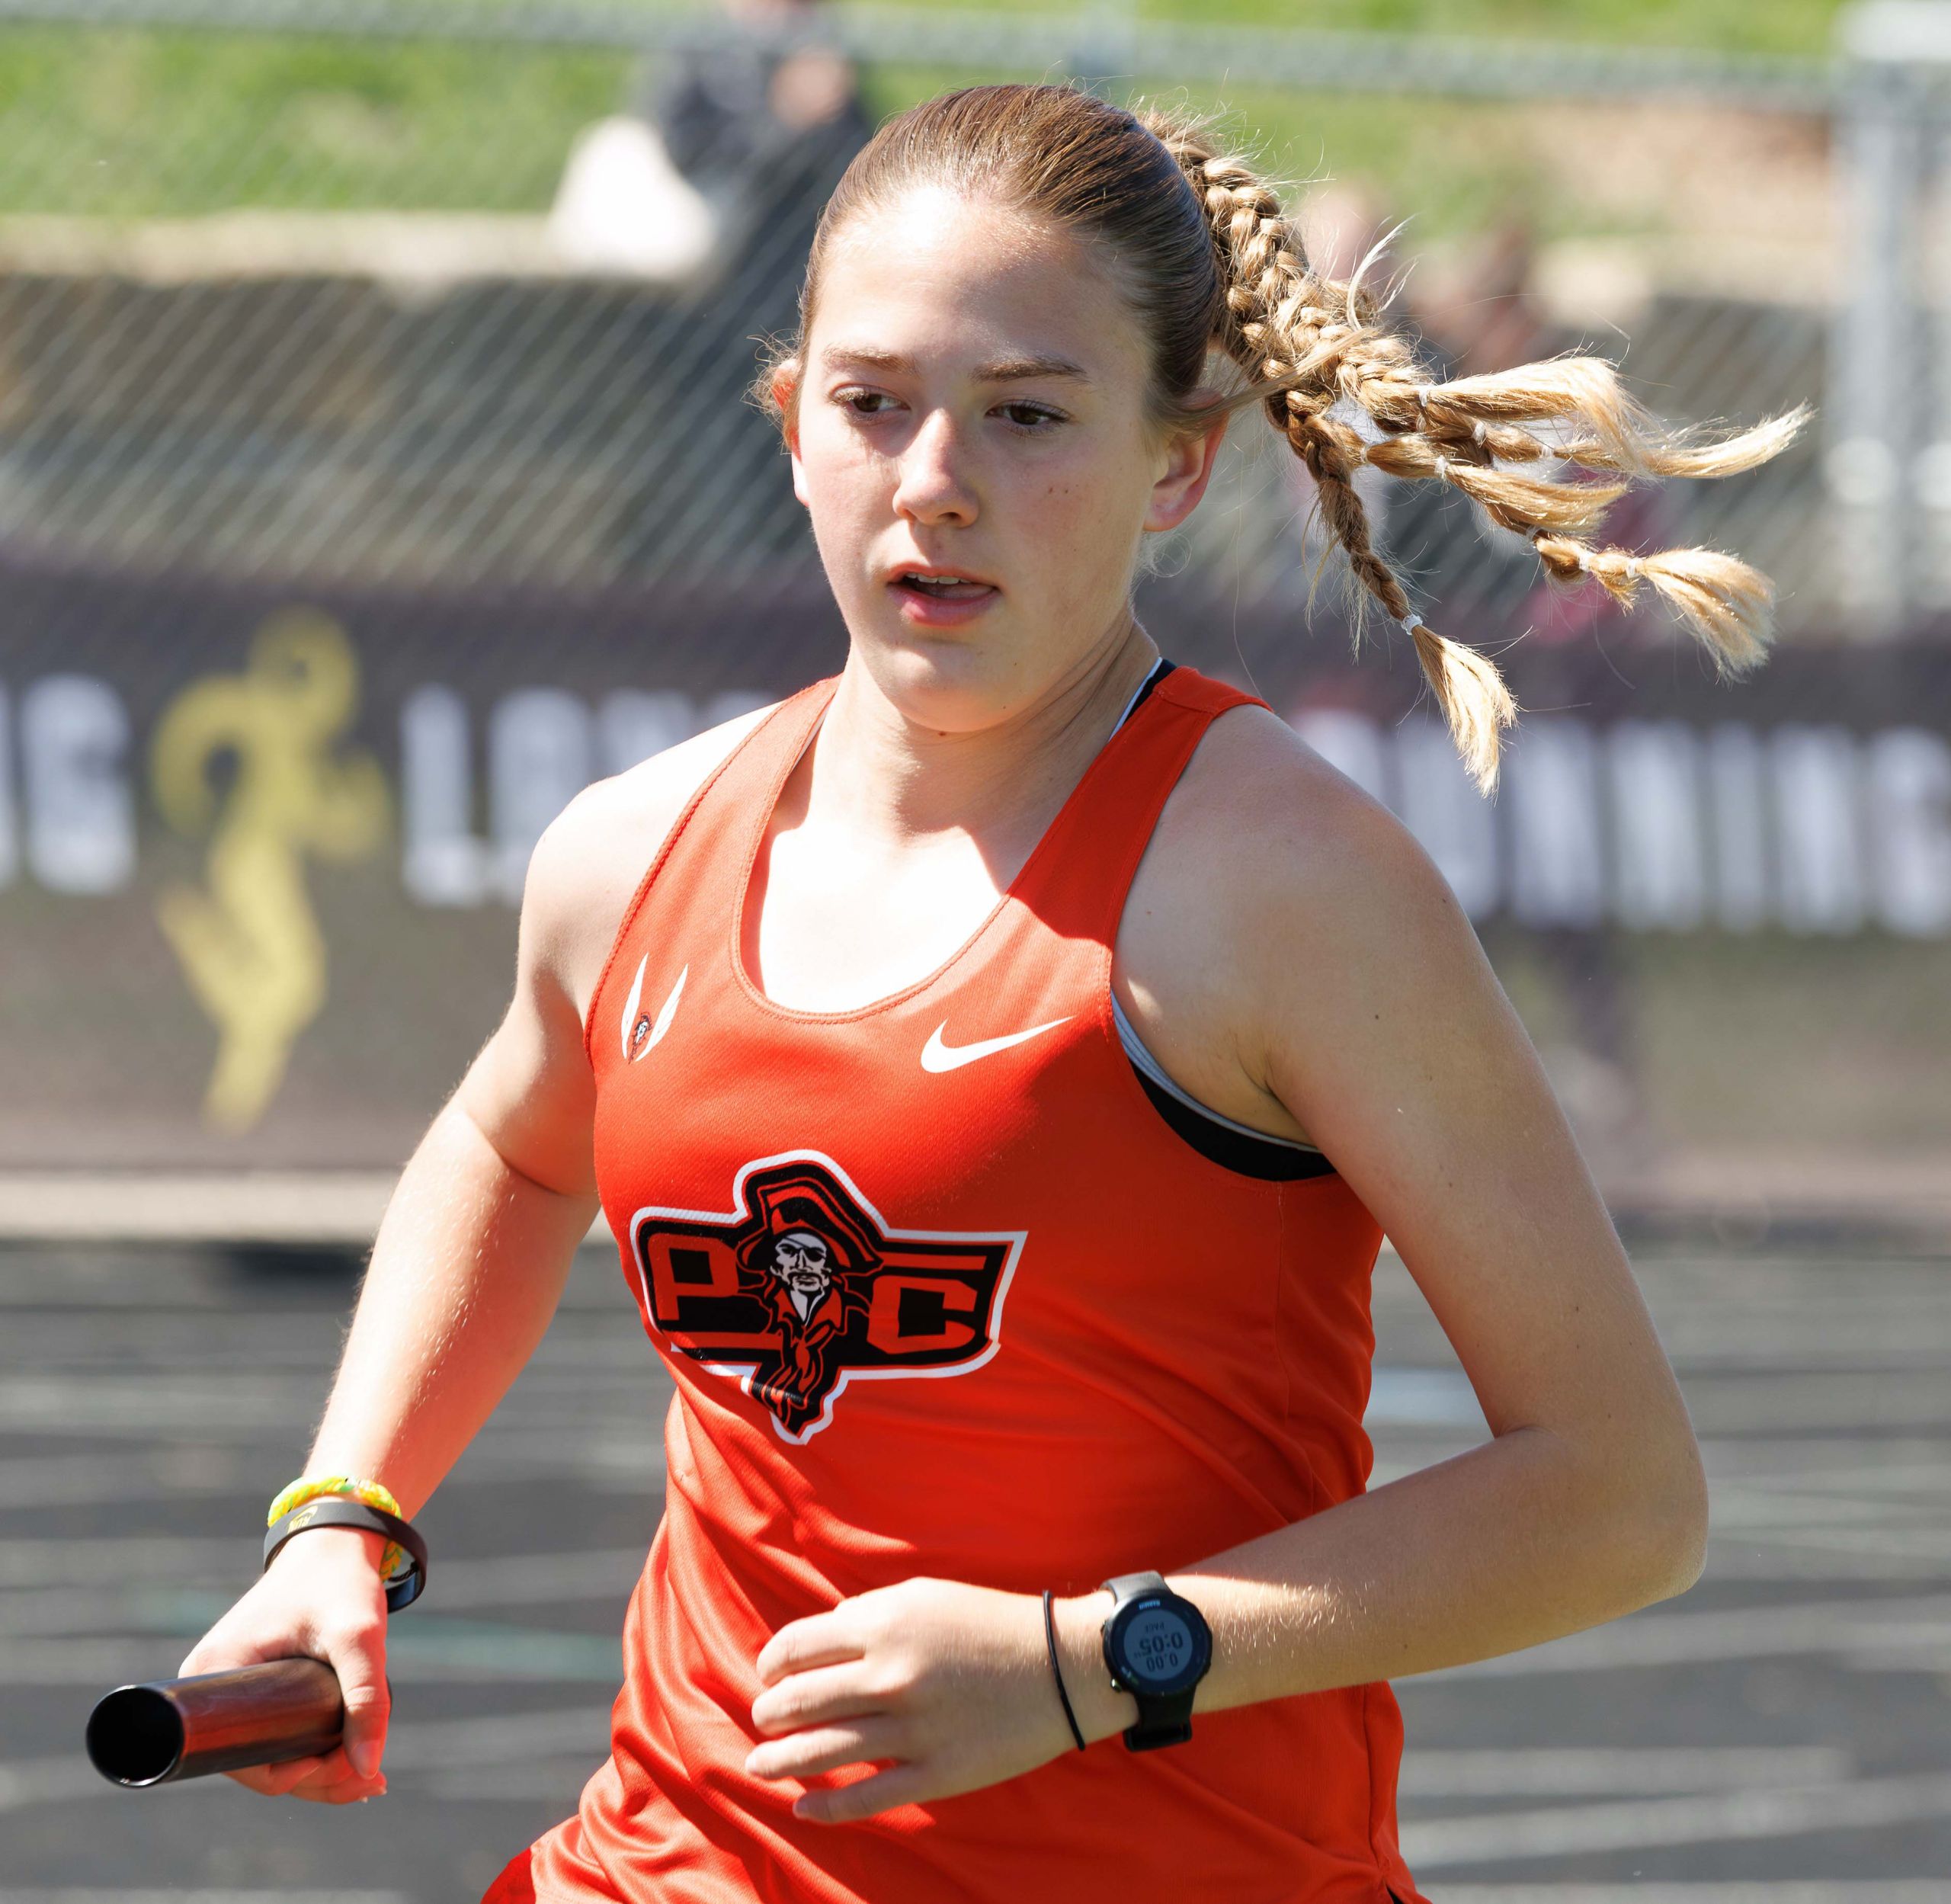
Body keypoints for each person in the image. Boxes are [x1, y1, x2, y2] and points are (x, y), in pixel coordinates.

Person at [181, 82, 1801, 1904]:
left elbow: (1617, 1496)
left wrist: (1086, 1663)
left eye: (1026, 413)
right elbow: (508, 1140)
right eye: (871, 402)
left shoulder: (1283, 889)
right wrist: (343, 1515)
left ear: (1176, 463)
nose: (934, 478)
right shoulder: (624, 857)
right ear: (791, 428)